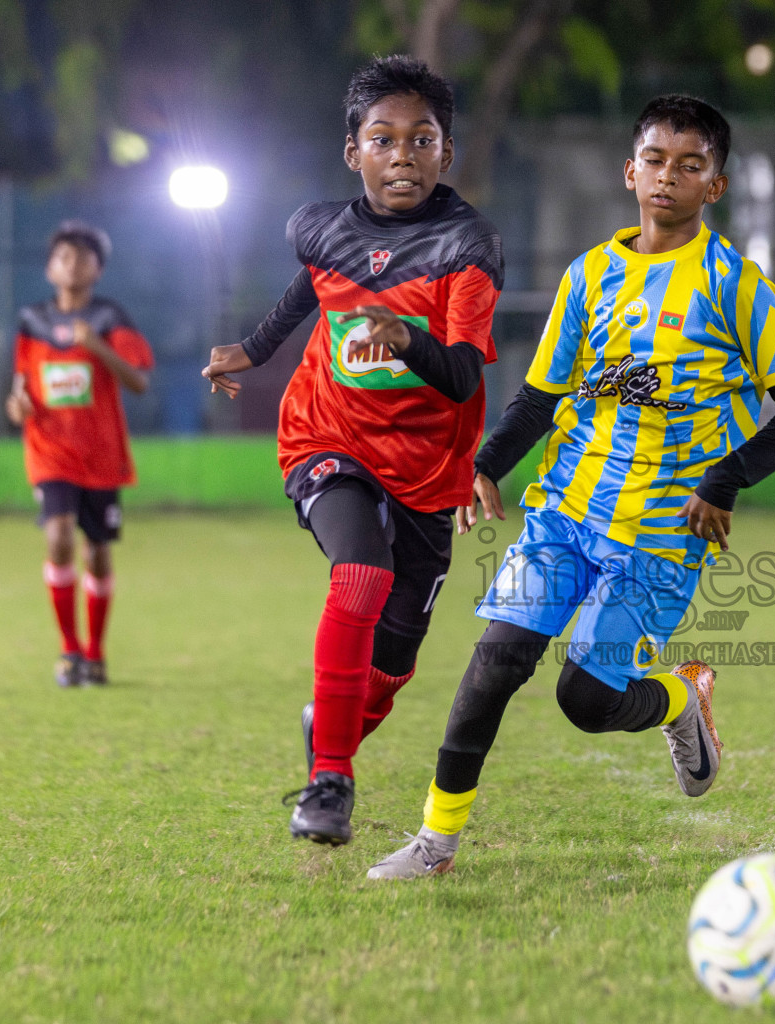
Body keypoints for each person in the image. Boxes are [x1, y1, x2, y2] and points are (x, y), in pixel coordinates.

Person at [365, 95, 775, 880]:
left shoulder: (734, 285)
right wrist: (485, 464)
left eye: (690, 166)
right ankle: (435, 844)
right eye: (654, 160)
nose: (667, 178)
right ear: (630, 170)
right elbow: (540, 398)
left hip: (661, 536)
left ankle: (681, 700)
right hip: (565, 515)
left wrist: (725, 479)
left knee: (584, 700)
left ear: (714, 186)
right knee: (495, 663)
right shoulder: (590, 275)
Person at [201, 55, 502, 847]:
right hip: (325, 438)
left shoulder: (466, 247)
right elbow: (309, 289)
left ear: (445, 153)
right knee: (360, 571)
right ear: (354, 152)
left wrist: (406, 338)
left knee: (394, 664)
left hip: (429, 468)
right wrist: (253, 351)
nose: (402, 153)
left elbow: (466, 374)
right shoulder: (321, 227)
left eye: (422, 139)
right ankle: (329, 783)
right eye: (383, 138)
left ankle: (327, 726)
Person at [6, 220, 153, 688]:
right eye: (64, 257)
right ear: (50, 268)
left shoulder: (110, 319)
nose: (73, 265)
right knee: (59, 535)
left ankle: (95, 653)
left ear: (98, 270)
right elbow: (19, 388)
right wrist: (16, 404)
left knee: (98, 552)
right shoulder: (32, 321)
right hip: (50, 451)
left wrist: (97, 348)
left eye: (83, 259)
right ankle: (69, 649)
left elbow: (139, 381)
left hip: (101, 456)